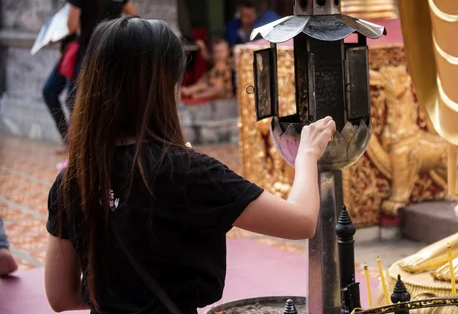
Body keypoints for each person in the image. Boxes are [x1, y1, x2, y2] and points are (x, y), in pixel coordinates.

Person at [44, 16, 335, 313]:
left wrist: (119, 296)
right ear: (163, 87)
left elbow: (60, 296)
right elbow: (301, 221)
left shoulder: (71, 181)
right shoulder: (187, 172)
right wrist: (307, 154)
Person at [66, 0, 137, 101]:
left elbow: (70, 26)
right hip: (115, 53)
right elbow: (135, 17)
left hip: (90, 56)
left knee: (83, 104)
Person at [42, 0, 82, 153]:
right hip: (67, 54)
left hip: (79, 54)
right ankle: (68, 140)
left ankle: (78, 146)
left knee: (72, 99)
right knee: (49, 91)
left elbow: (75, 27)